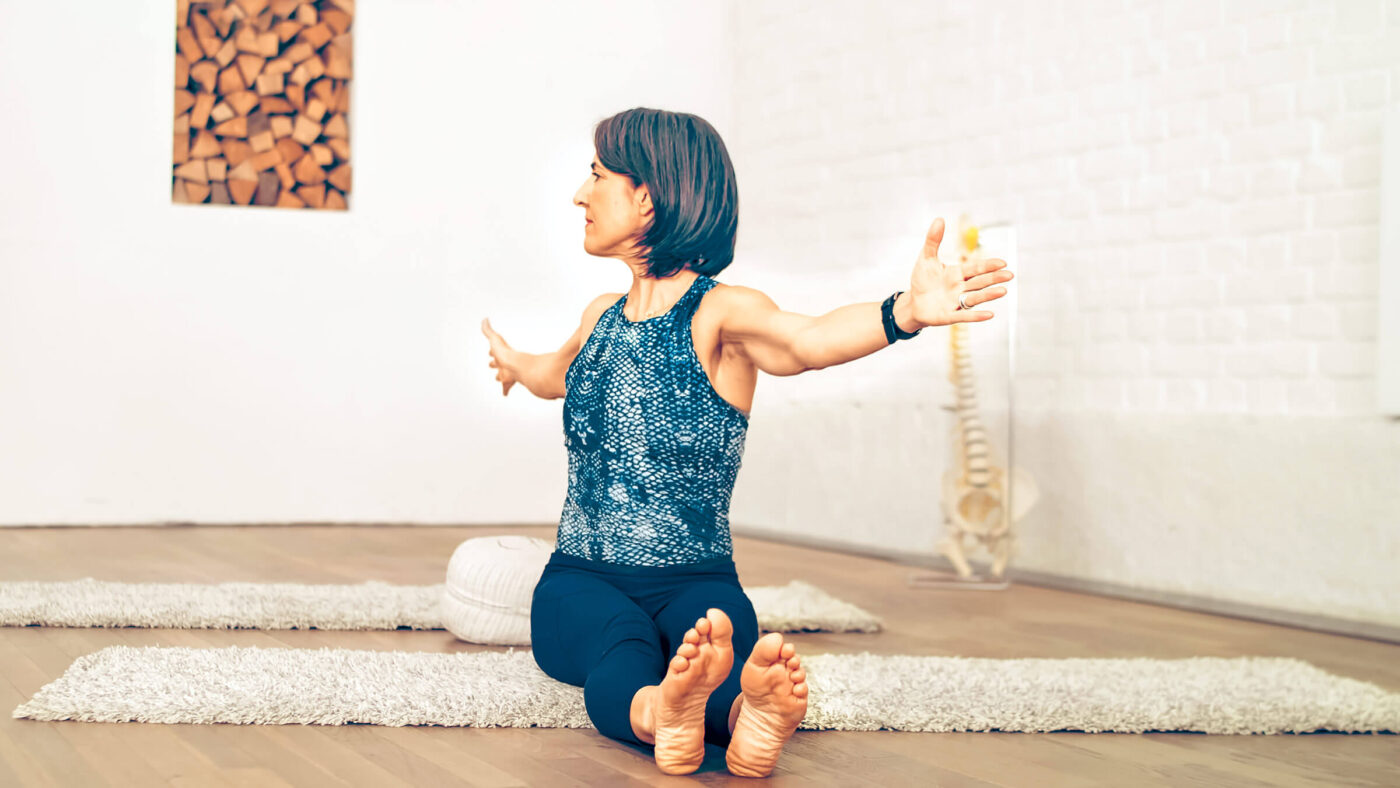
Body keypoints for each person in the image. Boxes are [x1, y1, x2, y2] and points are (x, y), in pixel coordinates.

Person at [480, 107, 1013, 777]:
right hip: (583, 582)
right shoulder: (599, 320)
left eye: (595, 176)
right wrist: (512, 365)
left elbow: (807, 340)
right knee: (618, 646)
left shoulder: (720, 314)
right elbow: (551, 373)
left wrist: (901, 312)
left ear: (647, 194)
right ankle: (659, 711)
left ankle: (743, 717)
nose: (580, 196)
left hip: (699, 581)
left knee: (720, 642)